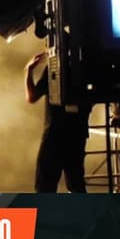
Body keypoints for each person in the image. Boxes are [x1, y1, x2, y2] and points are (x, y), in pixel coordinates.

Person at [25, 51, 92, 192]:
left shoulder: (55, 66)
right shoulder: (89, 67)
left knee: (45, 186)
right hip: (77, 133)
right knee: (76, 184)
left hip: (55, 133)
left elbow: (32, 96)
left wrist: (29, 71)